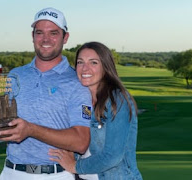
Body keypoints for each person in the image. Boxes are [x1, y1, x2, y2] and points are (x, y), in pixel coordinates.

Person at [0, 7, 92, 180]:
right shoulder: (15, 75)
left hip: (56, 175)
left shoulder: (77, 81)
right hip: (11, 172)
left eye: (53, 33)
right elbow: (4, 122)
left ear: (65, 37)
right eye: (39, 33)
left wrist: (31, 130)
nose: (45, 39)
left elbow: (81, 141)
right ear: (32, 36)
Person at [49, 42, 143, 180]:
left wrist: (75, 166)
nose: (85, 68)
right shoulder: (81, 101)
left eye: (93, 63)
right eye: (80, 62)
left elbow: (112, 156)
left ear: (105, 67)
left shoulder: (117, 99)